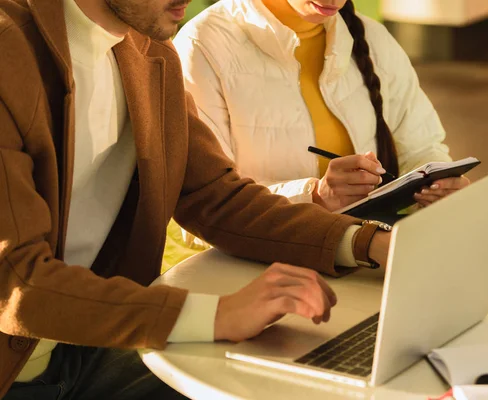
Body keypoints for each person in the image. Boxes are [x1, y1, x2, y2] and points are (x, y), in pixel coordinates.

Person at [0, 0, 392, 398]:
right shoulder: (7, 52)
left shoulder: (150, 52)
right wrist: (219, 315)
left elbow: (217, 196)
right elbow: (14, 277)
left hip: (91, 345)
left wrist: (370, 242)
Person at [173, 0, 470, 215]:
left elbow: (421, 146)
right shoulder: (203, 45)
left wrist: (438, 184)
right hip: (262, 267)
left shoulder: (372, 37)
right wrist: (314, 197)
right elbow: (203, 203)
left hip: (365, 249)